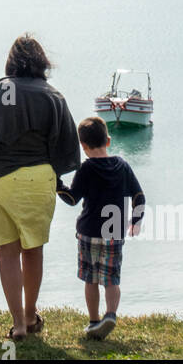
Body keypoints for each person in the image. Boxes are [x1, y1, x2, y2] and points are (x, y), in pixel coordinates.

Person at [0, 35, 80, 342]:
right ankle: (30, 313)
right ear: (43, 62)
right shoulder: (53, 95)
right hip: (39, 181)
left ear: (11, 62)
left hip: (0, 182)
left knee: (7, 253)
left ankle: (18, 324)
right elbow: (67, 144)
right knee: (33, 251)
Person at [57, 116, 145, 340]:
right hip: (114, 232)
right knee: (111, 279)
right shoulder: (122, 166)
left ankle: (94, 320)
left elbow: (72, 198)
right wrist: (135, 221)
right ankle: (111, 315)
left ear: (83, 146)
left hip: (88, 233)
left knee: (91, 279)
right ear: (108, 140)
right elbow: (139, 197)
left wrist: (56, 183)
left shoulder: (86, 168)